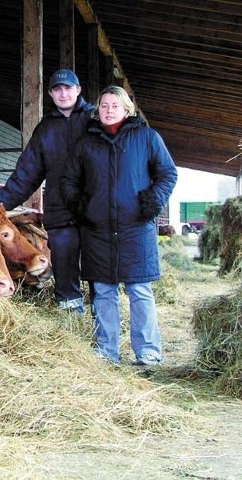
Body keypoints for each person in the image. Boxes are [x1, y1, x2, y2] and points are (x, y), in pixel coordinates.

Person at [60, 85, 178, 365]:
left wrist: (152, 202)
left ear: (127, 109)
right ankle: (107, 351)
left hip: (136, 227)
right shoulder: (86, 143)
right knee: (103, 291)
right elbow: (68, 180)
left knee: (139, 291)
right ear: (97, 110)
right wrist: (81, 206)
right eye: (103, 105)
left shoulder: (147, 137)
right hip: (97, 230)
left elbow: (167, 174)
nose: (108, 110)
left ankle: (148, 352)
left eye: (115, 105)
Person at [0, 68, 94, 314]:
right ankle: (71, 319)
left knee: (97, 263)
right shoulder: (46, 129)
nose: (63, 93)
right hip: (61, 209)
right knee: (64, 263)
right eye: (57, 89)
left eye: (68, 88)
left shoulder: (95, 120)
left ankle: (102, 317)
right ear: (50, 94)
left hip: (94, 209)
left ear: (78, 90)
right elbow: (27, 173)